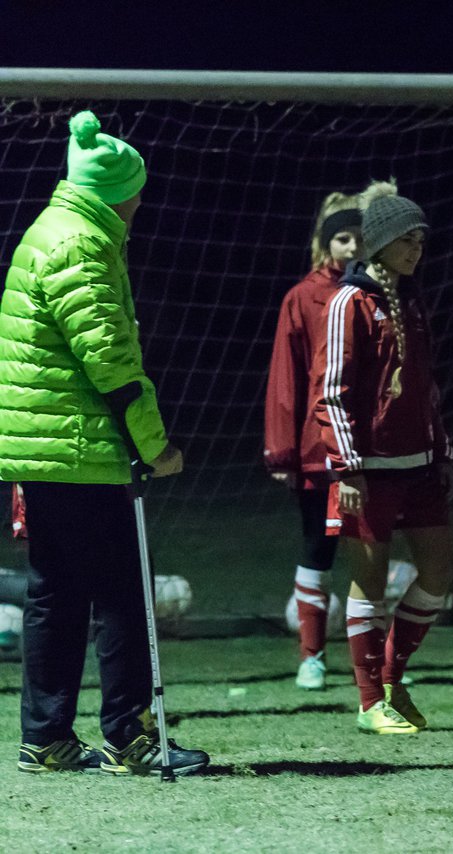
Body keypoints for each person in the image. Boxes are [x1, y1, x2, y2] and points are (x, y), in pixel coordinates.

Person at [0, 111, 208, 774]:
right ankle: (130, 734)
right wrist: (154, 447)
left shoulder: (57, 230)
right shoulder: (80, 245)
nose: (143, 202)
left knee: (55, 592)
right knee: (121, 590)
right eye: (137, 190)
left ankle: (46, 737)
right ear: (116, 191)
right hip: (77, 450)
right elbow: (112, 363)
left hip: (45, 448)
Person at [315, 181, 453, 735]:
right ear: (379, 242)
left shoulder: (413, 302)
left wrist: (441, 449)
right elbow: (331, 391)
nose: (415, 249)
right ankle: (370, 698)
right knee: (369, 584)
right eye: (406, 239)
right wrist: (347, 467)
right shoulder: (349, 301)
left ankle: (394, 675)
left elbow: (427, 388)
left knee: (440, 569)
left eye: (421, 240)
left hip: (419, 464)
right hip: (367, 470)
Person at [264, 190, 362, 690]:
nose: (352, 248)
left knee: (372, 548)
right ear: (326, 243)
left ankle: (376, 659)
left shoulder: (378, 295)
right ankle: (312, 656)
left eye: (359, 239)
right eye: (342, 238)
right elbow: (287, 377)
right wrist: (282, 449)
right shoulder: (302, 297)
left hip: (371, 450)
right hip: (318, 450)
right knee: (318, 546)